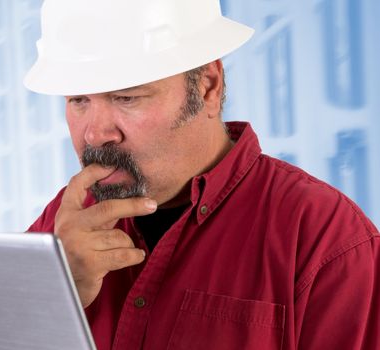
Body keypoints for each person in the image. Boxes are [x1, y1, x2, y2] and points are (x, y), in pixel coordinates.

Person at [25, 0, 380, 349]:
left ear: (208, 86)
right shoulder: (65, 221)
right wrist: (50, 293)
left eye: (126, 97)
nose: (95, 134)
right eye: (78, 101)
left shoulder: (325, 237)